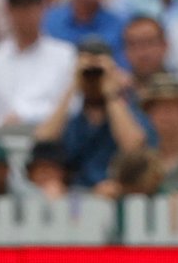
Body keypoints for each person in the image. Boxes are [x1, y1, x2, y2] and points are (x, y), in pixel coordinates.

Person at [34, 33, 152, 188]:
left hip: (119, 195)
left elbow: (133, 146)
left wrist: (111, 92)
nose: (93, 79)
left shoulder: (130, 112)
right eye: (88, 73)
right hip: (76, 199)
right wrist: (74, 85)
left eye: (99, 72)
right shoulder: (72, 121)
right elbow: (43, 138)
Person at [0, 0, 76, 129]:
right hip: (0, 142)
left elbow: (75, 106)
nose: (25, 13)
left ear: (43, 8)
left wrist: (26, 116)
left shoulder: (66, 56)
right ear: (8, 11)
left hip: (52, 141)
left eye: (31, 6)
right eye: (19, 7)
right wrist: (2, 122)